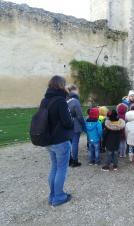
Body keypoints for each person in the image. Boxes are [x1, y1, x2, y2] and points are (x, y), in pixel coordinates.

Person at [45, 75, 74, 206]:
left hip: (49, 140)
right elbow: (67, 123)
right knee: (61, 168)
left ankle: (52, 195)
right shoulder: (60, 101)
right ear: (62, 85)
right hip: (60, 140)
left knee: (54, 167)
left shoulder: (45, 100)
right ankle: (58, 197)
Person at [67, 84, 86, 167]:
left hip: (67, 123)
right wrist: (83, 124)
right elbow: (79, 115)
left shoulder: (65, 99)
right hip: (75, 124)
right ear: (74, 90)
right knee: (75, 143)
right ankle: (75, 160)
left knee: (69, 143)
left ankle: (69, 159)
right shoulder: (75, 101)